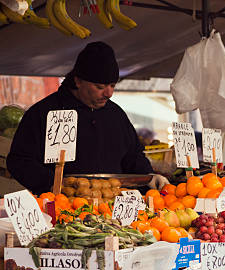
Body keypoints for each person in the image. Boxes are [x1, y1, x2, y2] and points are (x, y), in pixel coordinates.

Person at [7, 42, 168, 194]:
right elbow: (19, 161)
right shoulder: (44, 113)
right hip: (61, 207)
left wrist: (149, 176)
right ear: (78, 81)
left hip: (113, 209)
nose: (109, 93)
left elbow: (133, 156)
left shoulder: (116, 114)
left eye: (112, 85)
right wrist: (54, 183)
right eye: (100, 87)